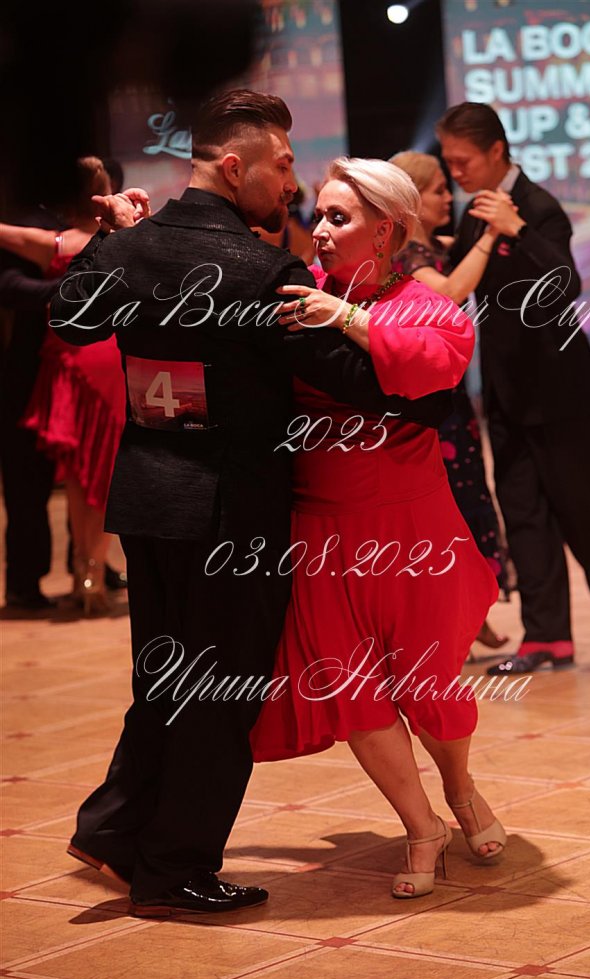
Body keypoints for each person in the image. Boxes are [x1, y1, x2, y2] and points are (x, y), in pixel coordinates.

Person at [49, 90, 457, 918]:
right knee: (221, 693)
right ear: (236, 168)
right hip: (232, 517)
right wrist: (401, 356)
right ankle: (175, 868)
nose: (291, 182)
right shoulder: (260, 268)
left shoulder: (136, 245)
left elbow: (70, 319)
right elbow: (356, 382)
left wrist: (117, 240)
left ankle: (118, 830)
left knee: (164, 677)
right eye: (283, 164)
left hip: (149, 501)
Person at [250, 157, 505, 899]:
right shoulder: (294, 293)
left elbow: (434, 365)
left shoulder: (422, 302)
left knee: (431, 687)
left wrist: (344, 318)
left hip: (411, 527)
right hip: (320, 527)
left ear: (386, 231)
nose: (321, 231)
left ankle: (460, 790)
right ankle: (422, 826)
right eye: (320, 216)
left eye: (340, 217)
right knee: (353, 691)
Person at [436, 102, 590, 674]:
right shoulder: (476, 211)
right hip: (506, 391)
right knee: (522, 511)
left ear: (497, 151)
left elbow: (565, 283)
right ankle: (547, 638)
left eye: (464, 160)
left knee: (586, 512)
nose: (456, 172)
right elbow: (461, 276)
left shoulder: (539, 207)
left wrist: (517, 230)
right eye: (449, 162)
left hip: (562, 391)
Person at [390, 149, 511, 648]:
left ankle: (472, 613)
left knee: (468, 497)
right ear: (414, 199)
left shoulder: (430, 247)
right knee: (453, 508)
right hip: (430, 407)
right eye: (439, 189)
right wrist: (492, 234)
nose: (449, 196)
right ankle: (460, 620)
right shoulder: (405, 258)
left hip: (453, 401)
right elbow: (450, 292)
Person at [0, 158, 127, 615]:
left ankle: (85, 573)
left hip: (73, 365)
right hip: (109, 362)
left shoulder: (58, 242)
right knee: (103, 471)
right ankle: (90, 571)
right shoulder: (125, 241)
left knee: (79, 474)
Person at [0, 202, 63, 610]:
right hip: (25, 374)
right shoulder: (29, 225)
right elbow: (7, 286)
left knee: (87, 478)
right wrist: (70, 289)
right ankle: (24, 582)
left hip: (73, 371)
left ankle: (88, 565)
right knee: (26, 481)